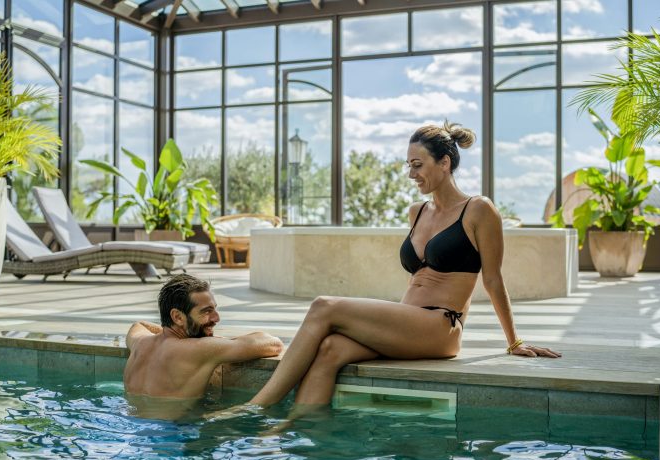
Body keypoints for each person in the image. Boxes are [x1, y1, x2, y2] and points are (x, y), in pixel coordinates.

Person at [249, 121, 561, 409]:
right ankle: (291, 430)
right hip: (408, 323)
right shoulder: (418, 212)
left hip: (440, 327)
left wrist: (514, 342)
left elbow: (493, 279)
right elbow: (419, 279)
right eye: (409, 166)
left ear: (445, 163)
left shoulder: (479, 210)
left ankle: (256, 408)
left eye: (417, 165)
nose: (411, 174)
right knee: (331, 349)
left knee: (323, 306)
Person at [124, 274, 283, 399]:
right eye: (206, 311)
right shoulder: (199, 349)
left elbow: (139, 325)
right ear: (178, 317)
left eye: (214, 309)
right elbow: (274, 344)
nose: (216, 318)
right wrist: (218, 342)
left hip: (135, 432)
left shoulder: (139, 342)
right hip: (175, 435)